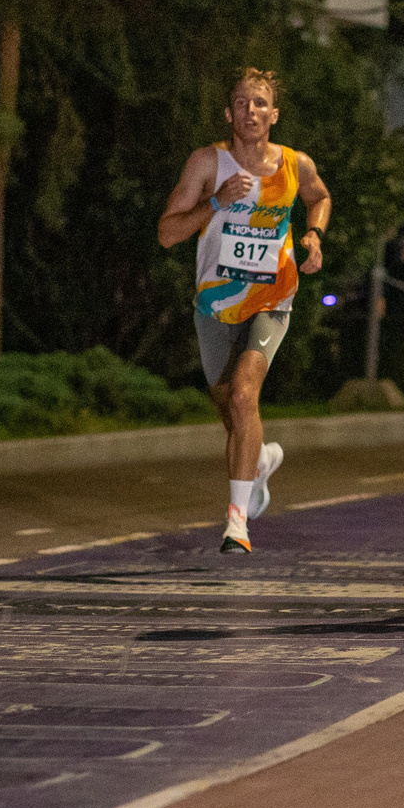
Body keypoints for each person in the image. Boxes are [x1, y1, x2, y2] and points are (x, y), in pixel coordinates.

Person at [157, 67, 330, 555]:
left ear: (274, 114)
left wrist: (313, 235)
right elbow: (168, 233)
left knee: (243, 394)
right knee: (231, 411)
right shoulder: (207, 163)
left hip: (273, 295)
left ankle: (237, 522)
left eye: (259, 103)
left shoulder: (295, 164)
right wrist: (216, 201)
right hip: (215, 304)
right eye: (241, 102)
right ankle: (258, 465)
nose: (250, 111)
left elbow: (319, 197)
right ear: (227, 112)